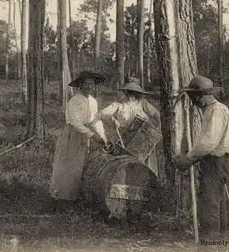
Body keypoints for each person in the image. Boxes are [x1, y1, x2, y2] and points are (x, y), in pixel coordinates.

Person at [172, 75, 229, 240]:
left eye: (195, 97)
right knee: (215, 201)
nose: (194, 102)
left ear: (203, 96)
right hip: (214, 160)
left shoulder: (216, 111)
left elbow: (208, 142)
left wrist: (188, 159)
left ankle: (210, 241)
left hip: (217, 161)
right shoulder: (211, 110)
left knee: (210, 203)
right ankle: (218, 239)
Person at [50, 70, 109, 212]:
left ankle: (79, 199)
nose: (89, 87)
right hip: (73, 135)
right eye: (86, 84)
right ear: (80, 86)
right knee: (69, 168)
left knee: (84, 167)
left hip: (87, 136)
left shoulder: (93, 101)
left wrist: (103, 137)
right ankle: (62, 202)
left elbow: (95, 121)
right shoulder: (74, 101)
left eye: (91, 84)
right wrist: (91, 135)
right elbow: (76, 123)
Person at [93, 77, 161, 175]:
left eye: (133, 92)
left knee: (146, 168)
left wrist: (158, 127)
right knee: (126, 168)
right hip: (126, 141)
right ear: (125, 92)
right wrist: (112, 119)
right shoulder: (119, 105)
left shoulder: (143, 103)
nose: (130, 95)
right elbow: (102, 113)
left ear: (137, 93)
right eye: (128, 92)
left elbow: (156, 114)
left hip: (143, 140)